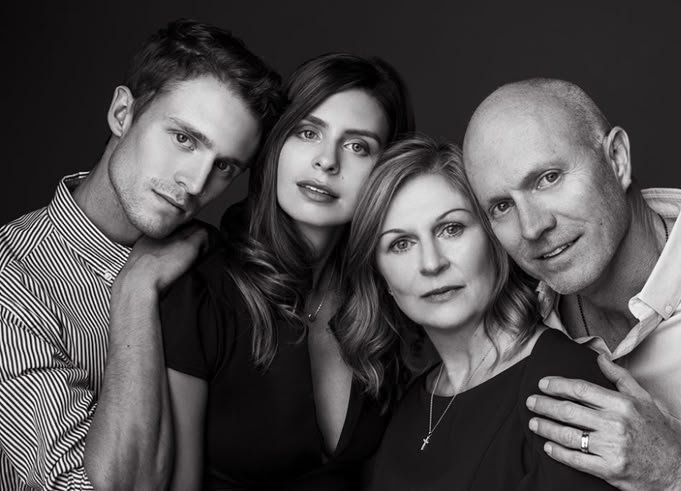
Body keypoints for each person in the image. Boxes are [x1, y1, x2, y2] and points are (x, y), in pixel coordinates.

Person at [0, 19, 283, 490]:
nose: (195, 184)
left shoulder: (215, 273)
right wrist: (135, 289)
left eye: (224, 166)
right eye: (184, 139)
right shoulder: (13, 279)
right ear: (122, 113)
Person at [462, 78, 681, 490]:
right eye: (502, 206)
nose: (533, 227)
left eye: (548, 178)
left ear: (618, 159)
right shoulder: (520, 326)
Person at [159, 52, 414, 490]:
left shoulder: (392, 302)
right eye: (308, 132)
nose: (327, 161)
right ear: (275, 143)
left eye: (358, 146)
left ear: (385, 171)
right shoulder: (201, 294)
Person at [334, 135, 615, 490]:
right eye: (401, 244)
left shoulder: (566, 382)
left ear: (493, 239)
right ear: (382, 276)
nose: (431, 263)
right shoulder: (409, 403)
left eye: (451, 229)